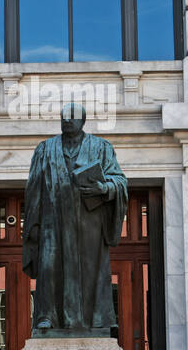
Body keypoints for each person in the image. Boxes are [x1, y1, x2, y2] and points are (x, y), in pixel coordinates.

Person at [22, 102, 128, 333]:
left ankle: (94, 321)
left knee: (90, 271)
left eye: (72, 116)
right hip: (52, 221)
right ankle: (47, 316)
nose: (67, 120)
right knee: (49, 267)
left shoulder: (101, 147)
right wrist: (33, 223)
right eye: (64, 117)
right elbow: (34, 188)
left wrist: (104, 188)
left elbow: (120, 181)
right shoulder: (44, 149)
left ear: (83, 120)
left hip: (88, 223)